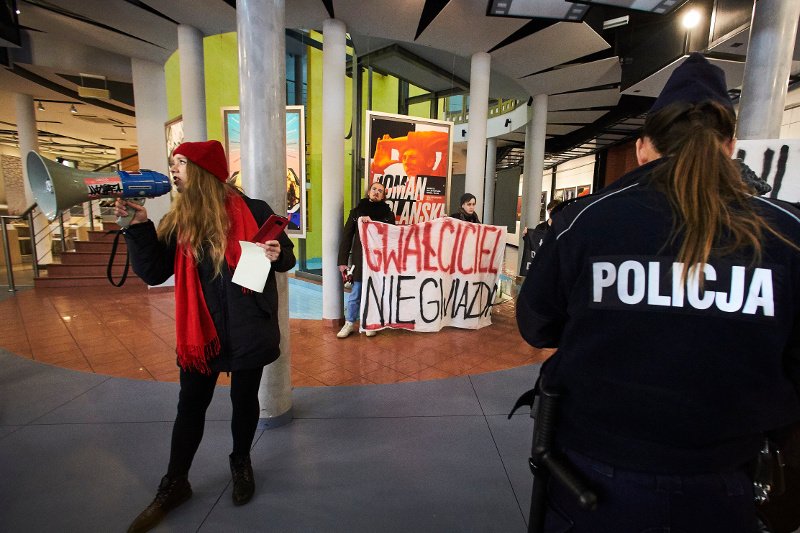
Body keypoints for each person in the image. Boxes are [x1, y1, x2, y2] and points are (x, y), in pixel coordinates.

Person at [516, 53, 800, 532]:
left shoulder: (587, 221)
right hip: (726, 482)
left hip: (593, 477)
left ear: (644, 147)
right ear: (730, 145)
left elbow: (536, 324)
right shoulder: (788, 232)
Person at [115, 140, 295, 533]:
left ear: (204, 170)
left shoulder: (254, 210)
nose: (173, 170)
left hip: (248, 328)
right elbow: (153, 273)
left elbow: (287, 256)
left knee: (244, 399)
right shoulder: (177, 222)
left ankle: (240, 462)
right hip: (202, 336)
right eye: (172, 163)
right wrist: (138, 227)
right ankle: (175, 482)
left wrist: (277, 253)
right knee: (190, 406)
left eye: (181, 163)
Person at [337, 180, 395, 338]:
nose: (376, 192)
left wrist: (375, 224)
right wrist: (342, 261)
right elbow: (347, 237)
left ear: (383, 196)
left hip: (380, 262)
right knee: (356, 293)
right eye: (374, 189)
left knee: (375, 293)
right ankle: (349, 323)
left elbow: (392, 236)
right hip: (361, 261)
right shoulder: (356, 213)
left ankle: (370, 322)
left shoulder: (388, 215)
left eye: (380, 191)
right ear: (369, 192)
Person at [519, 199, 561, 276]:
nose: (553, 212)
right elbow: (533, 243)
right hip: (542, 264)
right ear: (548, 211)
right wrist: (526, 236)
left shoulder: (563, 228)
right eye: (551, 210)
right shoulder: (540, 227)